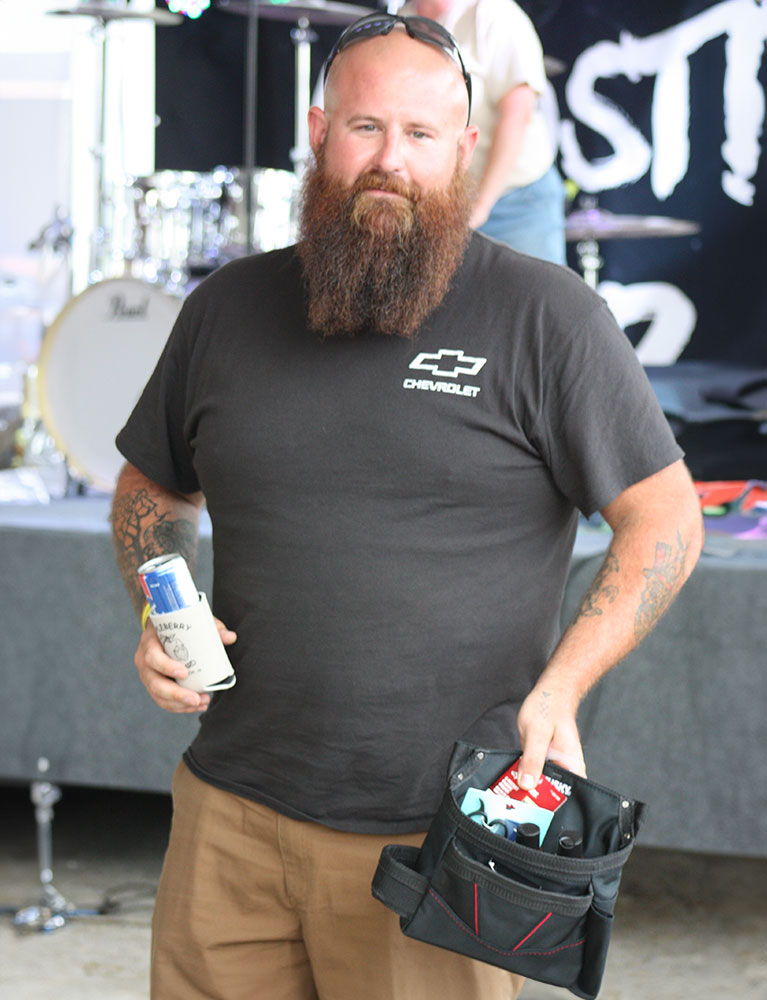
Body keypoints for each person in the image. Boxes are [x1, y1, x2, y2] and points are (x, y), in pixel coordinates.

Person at [110, 13, 703, 999]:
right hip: (227, 820)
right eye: (364, 128)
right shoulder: (225, 309)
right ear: (316, 134)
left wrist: (556, 691)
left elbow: (667, 522)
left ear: (465, 151)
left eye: (421, 135)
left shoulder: (545, 319)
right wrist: (154, 600)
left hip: (436, 842)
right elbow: (152, 486)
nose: (390, 160)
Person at [401, 0, 566, 263]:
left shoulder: (496, 15)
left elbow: (517, 115)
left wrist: (480, 205)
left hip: (516, 200)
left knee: (532, 297)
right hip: (444, 202)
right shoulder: (403, 20)